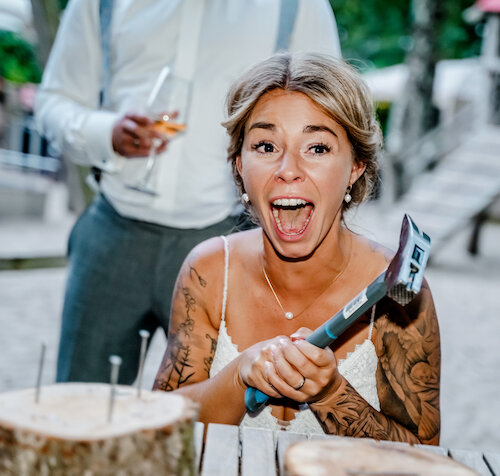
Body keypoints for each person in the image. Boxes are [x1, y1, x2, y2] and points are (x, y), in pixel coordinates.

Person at [34, 0, 341, 384]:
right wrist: (104, 132)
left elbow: (329, 117)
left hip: (233, 241)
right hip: (112, 235)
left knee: (219, 408)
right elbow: (53, 100)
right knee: (80, 403)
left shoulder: (297, 6)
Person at [153, 52, 441, 443]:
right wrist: (239, 375)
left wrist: (331, 393)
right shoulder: (208, 270)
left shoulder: (399, 294)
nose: (288, 170)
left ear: (356, 166)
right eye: (266, 146)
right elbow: (159, 431)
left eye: (317, 148)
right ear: (239, 164)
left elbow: (423, 455)